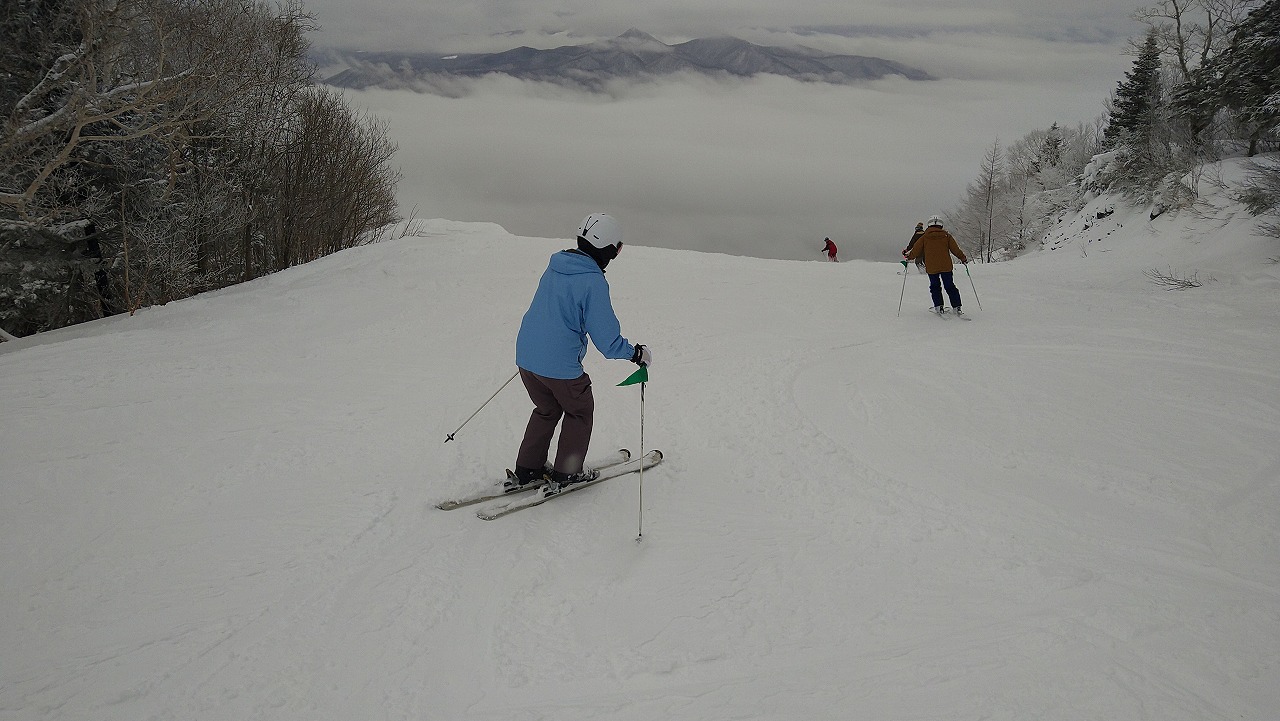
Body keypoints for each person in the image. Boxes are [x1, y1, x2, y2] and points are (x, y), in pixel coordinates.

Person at [509, 212, 652, 495]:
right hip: (559, 366)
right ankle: (568, 472)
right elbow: (607, 341)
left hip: (526, 358)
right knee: (579, 411)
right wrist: (635, 354)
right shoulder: (592, 281)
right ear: (611, 250)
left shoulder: (556, 266)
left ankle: (528, 468)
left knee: (547, 409)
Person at [904, 215, 969, 316]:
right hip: (946, 266)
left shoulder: (924, 237)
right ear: (941, 225)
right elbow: (955, 250)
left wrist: (909, 257)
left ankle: (939, 307)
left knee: (935, 286)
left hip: (932, 267)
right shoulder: (947, 236)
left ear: (929, 225)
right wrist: (963, 258)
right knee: (950, 286)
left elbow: (916, 250)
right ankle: (957, 307)